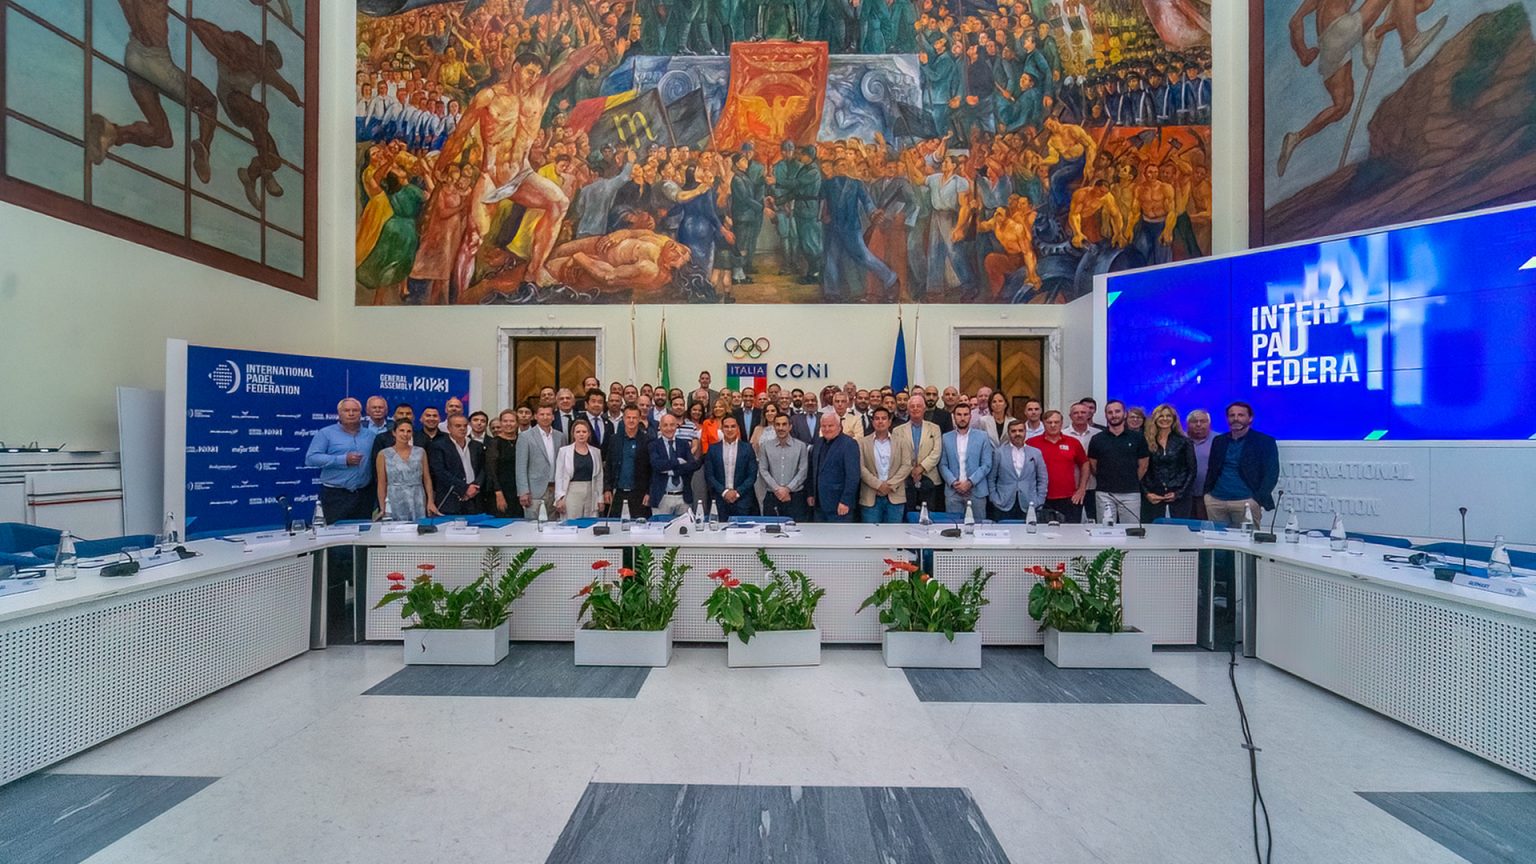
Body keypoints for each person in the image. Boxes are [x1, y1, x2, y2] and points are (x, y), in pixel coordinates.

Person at [1203, 402, 1280, 527]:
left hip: (1246, 501)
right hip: (1216, 501)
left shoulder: (1264, 441)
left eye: (1241, 415)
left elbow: (1271, 473)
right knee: (1217, 538)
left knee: (1247, 539)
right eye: (1232, 415)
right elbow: (1212, 469)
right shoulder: (1219, 441)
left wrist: (1257, 500)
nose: (1236, 419)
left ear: (1250, 418)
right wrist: (1207, 495)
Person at [304, 398, 375, 522]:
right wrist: (342, 460)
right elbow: (311, 458)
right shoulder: (326, 433)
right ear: (339, 414)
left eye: (355, 410)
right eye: (346, 410)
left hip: (364, 495)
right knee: (335, 532)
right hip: (336, 495)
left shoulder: (370, 435)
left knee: (364, 531)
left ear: (361, 413)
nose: (351, 414)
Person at [1087, 400, 1149, 525]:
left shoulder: (1137, 438)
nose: (1114, 415)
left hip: (1131, 493)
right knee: (1105, 530)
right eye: (1110, 412)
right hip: (1104, 493)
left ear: (1125, 414)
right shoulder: (1097, 439)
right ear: (1106, 415)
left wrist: (1130, 480)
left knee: (1131, 530)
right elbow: (1093, 465)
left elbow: (1143, 465)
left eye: (1117, 411)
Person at [1029, 410, 1089, 523]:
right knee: (1042, 533)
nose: (1053, 425)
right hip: (1042, 498)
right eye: (1049, 422)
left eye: (1056, 422)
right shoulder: (1032, 443)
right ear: (1043, 423)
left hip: (1070, 498)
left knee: (1071, 532)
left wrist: (1082, 489)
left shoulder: (1073, 442)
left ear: (1061, 423)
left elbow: (1085, 464)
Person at [857, 407, 913, 524]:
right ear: (873, 422)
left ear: (889, 422)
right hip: (870, 497)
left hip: (895, 495)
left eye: (884, 418)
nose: (880, 421)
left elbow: (906, 466)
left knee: (894, 533)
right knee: (870, 533)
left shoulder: (902, 442)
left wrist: (890, 485)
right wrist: (878, 485)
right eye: (877, 419)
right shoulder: (862, 443)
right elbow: (861, 468)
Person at [1142, 403, 1197, 522]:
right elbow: (1141, 470)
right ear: (1155, 418)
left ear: (1174, 419)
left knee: (1178, 531)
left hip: (1179, 498)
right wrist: (1147, 493)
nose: (1165, 419)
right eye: (1161, 416)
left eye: (1168, 416)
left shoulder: (1184, 442)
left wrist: (1179, 493)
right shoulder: (1145, 441)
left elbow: (1191, 471)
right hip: (1153, 497)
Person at [376, 418, 438, 522]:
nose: (405, 434)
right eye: (402, 430)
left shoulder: (420, 452)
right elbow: (381, 483)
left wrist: (430, 501)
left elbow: (427, 479)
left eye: (409, 431)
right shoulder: (383, 454)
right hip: (394, 498)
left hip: (417, 497)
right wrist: (382, 508)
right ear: (394, 433)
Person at [939, 403, 993, 517]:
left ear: (970, 416)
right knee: (954, 526)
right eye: (959, 414)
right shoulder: (945, 438)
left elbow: (987, 464)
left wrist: (970, 482)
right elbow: (942, 464)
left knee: (978, 526)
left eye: (965, 414)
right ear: (954, 417)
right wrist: (953, 482)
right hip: (953, 493)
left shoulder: (982, 436)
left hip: (976, 492)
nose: (962, 418)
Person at [988, 419, 1048, 521]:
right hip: (1003, 502)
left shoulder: (1035, 453)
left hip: (1029, 503)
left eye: (1020, 430)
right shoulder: (999, 453)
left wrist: (1039, 500)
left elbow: (1043, 478)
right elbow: (991, 478)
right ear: (1008, 433)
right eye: (1013, 431)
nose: (1017, 434)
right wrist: (994, 498)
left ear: (1025, 432)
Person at [428, 413, 485, 515]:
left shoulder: (476, 446)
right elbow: (440, 472)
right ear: (449, 428)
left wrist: (476, 486)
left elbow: (483, 468)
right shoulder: (438, 446)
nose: (462, 429)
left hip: (474, 498)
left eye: (465, 426)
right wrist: (464, 488)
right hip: (450, 498)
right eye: (458, 426)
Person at [809, 412, 860, 522]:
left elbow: (853, 476)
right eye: (824, 426)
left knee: (840, 533)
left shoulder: (849, 444)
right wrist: (811, 494)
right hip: (819, 505)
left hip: (839, 505)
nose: (827, 429)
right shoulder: (818, 443)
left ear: (839, 426)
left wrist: (846, 501)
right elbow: (813, 471)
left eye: (830, 426)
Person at [897, 392, 943, 516]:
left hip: (930, 478)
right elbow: (897, 454)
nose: (915, 409)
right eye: (912, 406)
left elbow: (936, 452)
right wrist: (911, 470)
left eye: (918, 406)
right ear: (908, 410)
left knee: (929, 516)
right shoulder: (898, 431)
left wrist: (921, 468)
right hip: (906, 479)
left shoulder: (935, 428)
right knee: (908, 515)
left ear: (924, 409)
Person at [516, 405, 565, 517]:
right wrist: (523, 491)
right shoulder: (525, 437)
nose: (545, 417)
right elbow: (520, 467)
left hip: (555, 489)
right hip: (534, 491)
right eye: (542, 414)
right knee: (532, 524)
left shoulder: (560, 436)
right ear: (535, 416)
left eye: (548, 414)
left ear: (553, 417)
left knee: (554, 524)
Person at [603, 406, 652, 519]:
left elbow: (651, 469)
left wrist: (649, 492)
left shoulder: (647, 440)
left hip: (639, 493)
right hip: (617, 492)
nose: (631, 420)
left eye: (634, 418)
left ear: (639, 419)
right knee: (615, 525)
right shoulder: (614, 439)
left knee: (638, 526)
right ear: (623, 419)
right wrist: (607, 489)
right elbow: (608, 466)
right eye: (628, 417)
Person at [758, 413, 809, 521]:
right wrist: (777, 489)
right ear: (774, 427)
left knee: (796, 530)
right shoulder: (765, 446)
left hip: (795, 497)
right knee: (770, 530)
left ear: (790, 427)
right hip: (772, 496)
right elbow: (763, 470)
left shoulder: (801, 446)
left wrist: (788, 489)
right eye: (777, 424)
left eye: (784, 424)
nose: (781, 428)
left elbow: (803, 471)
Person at [705, 416, 758, 518]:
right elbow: (709, 475)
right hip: (719, 500)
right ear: (721, 429)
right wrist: (724, 492)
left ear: (738, 428)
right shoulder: (713, 449)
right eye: (726, 427)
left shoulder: (747, 448)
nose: (729, 430)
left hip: (742, 501)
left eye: (733, 426)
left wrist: (737, 493)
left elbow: (752, 475)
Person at [649, 412, 699, 517]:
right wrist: (678, 461)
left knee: (685, 527)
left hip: (683, 497)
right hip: (662, 497)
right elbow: (657, 465)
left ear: (676, 426)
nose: (669, 428)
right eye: (665, 425)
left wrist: (671, 471)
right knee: (661, 526)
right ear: (660, 427)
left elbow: (692, 466)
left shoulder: (684, 444)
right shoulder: (654, 445)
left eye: (672, 425)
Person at [554, 419, 603, 519]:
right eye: (578, 432)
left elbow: (599, 476)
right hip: (571, 492)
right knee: (572, 522)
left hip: (591, 491)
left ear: (589, 434)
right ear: (573, 434)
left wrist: (600, 498)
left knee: (589, 522)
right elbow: (559, 476)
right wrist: (559, 498)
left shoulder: (596, 452)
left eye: (584, 432)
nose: (581, 434)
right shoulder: (564, 451)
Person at [485, 409, 524, 517]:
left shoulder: (523, 440)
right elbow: (491, 470)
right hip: (501, 490)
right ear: (501, 423)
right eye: (505, 421)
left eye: (512, 421)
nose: (508, 424)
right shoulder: (494, 443)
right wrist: (498, 492)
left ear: (517, 423)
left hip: (520, 490)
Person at [1186, 408, 1214, 521]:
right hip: (1184, 495)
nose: (1198, 424)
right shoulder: (1180, 439)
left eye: (1203, 421)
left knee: (1208, 527)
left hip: (1210, 495)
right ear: (1188, 424)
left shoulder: (1218, 440)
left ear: (1209, 423)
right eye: (1194, 421)